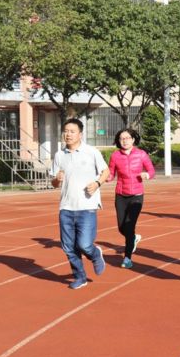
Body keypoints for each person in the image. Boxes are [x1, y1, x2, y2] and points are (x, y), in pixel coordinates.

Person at [51, 118, 110, 290]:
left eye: (72, 131)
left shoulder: (91, 152)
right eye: (66, 131)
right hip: (66, 207)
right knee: (69, 247)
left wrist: (97, 183)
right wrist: (57, 179)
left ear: (80, 134)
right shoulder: (59, 155)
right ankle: (80, 277)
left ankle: (95, 254)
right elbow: (54, 183)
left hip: (87, 207)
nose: (67, 134)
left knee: (84, 244)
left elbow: (105, 171)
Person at [107, 128, 155, 269]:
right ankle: (133, 238)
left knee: (129, 226)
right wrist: (103, 179)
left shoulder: (141, 154)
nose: (125, 141)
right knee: (121, 227)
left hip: (136, 196)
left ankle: (127, 258)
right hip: (121, 195)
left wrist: (147, 175)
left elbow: (151, 171)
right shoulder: (115, 156)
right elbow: (110, 174)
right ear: (118, 141)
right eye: (122, 138)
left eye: (128, 138)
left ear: (133, 139)